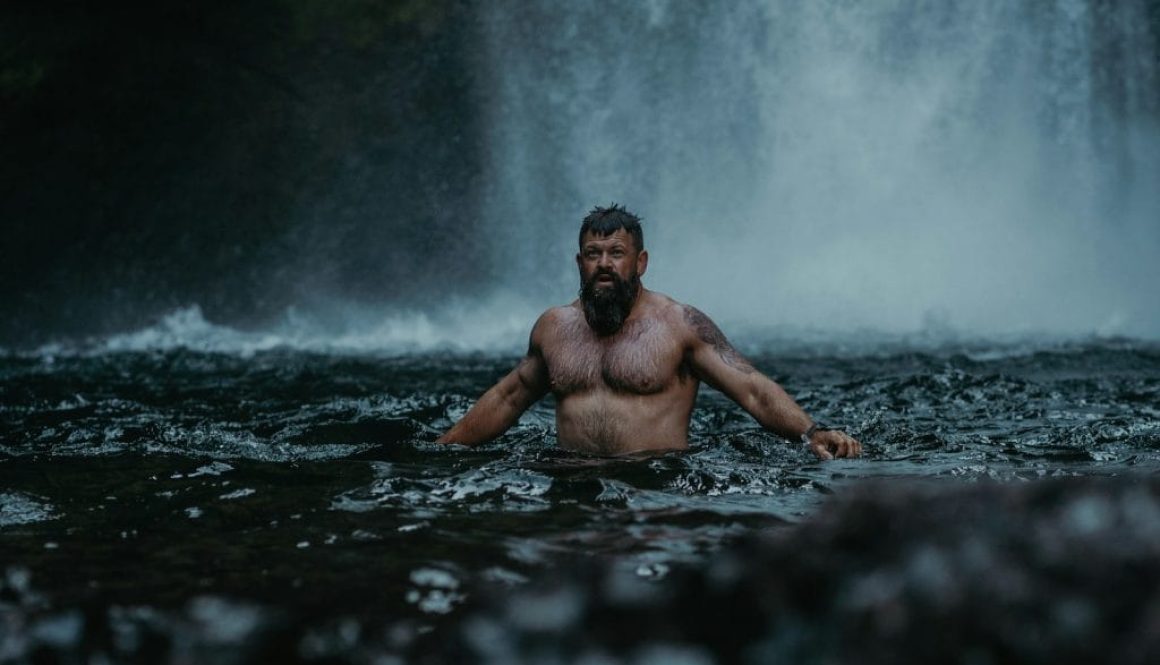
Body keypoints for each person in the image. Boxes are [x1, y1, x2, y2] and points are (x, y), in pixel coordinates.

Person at [437, 204, 862, 460]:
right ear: (579, 262)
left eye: (616, 253)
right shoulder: (553, 327)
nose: (604, 263)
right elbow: (508, 397)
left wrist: (810, 432)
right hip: (572, 484)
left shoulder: (679, 324)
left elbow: (751, 388)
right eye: (593, 254)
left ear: (640, 262)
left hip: (655, 488)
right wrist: (444, 449)